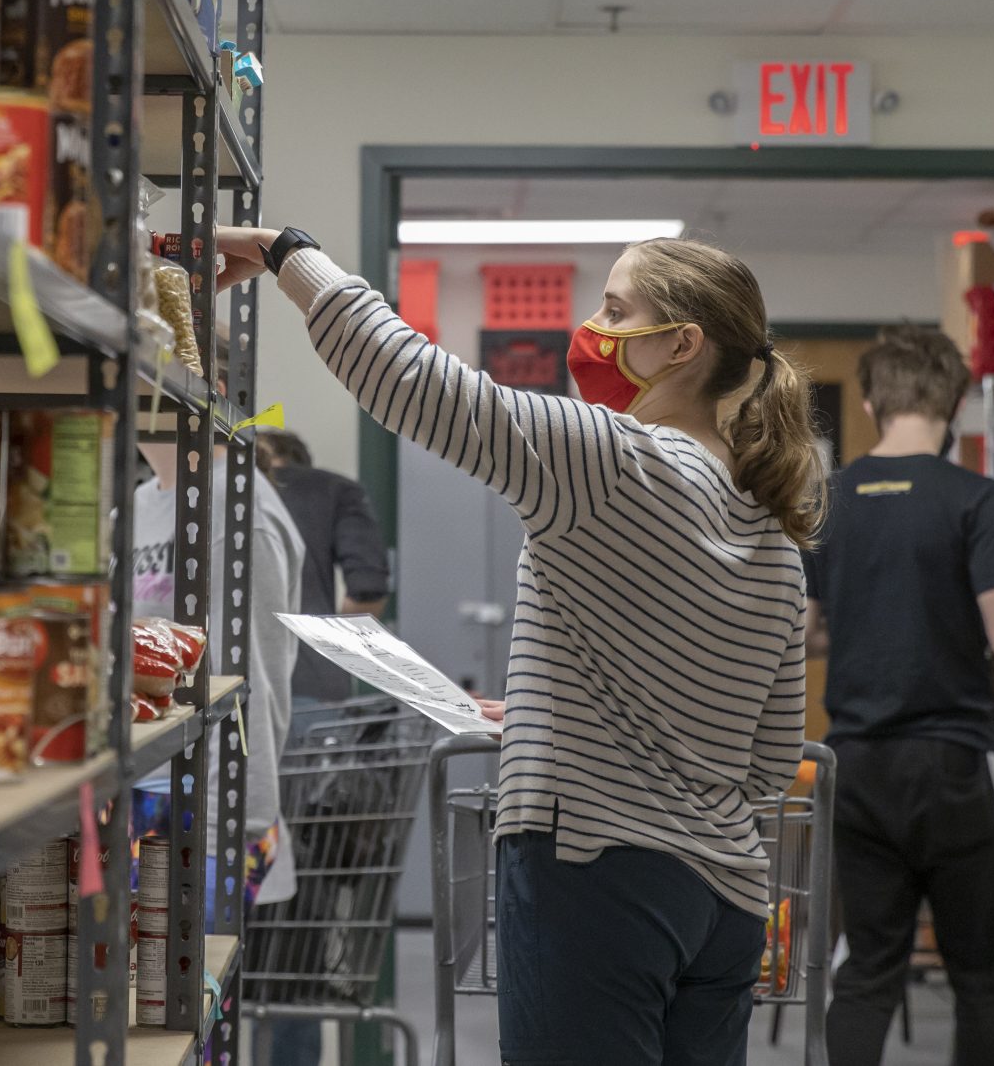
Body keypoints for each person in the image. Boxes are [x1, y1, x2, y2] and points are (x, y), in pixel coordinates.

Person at [217, 224, 823, 1066]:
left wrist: (286, 251)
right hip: (723, 903)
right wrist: (557, 720)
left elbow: (411, 379)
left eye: (616, 307)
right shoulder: (775, 542)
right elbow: (762, 765)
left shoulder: (614, 460)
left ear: (681, 345)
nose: (594, 324)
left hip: (593, 876)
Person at [803, 326, 994, 1066]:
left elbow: (806, 634)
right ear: (955, 403)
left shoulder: (830, 498)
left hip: (857, 766)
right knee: (983, 973)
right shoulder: (974, 496)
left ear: (872, 401)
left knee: (867, 970)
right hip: (956, 766)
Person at [133, 440, 305, 913]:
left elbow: (252, 674)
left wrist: (224, 830)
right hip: (134, 787)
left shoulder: (236, 506)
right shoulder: (138, 505)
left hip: (199, 809)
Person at [254, 427, 392, 703]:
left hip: (232, 681)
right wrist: (333, 643)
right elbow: (368, 589)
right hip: (314, 681)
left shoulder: (223, 489)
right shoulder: (336, 489)